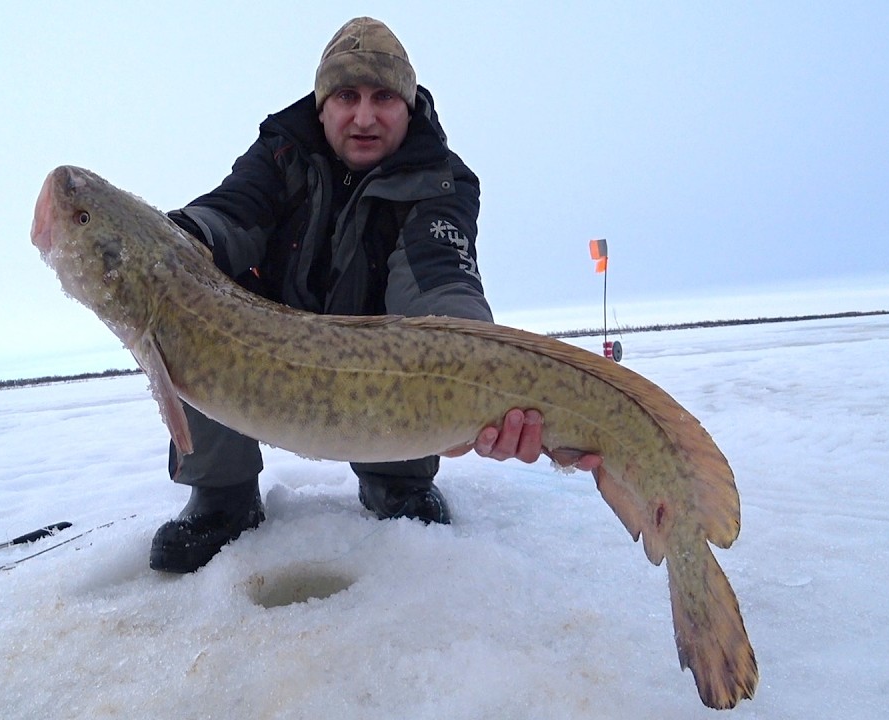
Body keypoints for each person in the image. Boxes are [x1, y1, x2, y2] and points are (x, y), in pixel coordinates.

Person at [152, 17, 598, 574]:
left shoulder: (442, 180)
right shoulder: (278, 154)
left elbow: (438, 283)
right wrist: (175, 242)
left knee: (426, 352)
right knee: (201, 301)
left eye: (383, 96)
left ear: (408, 105)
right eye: (347, 95)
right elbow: (229, 213)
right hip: (277, 330)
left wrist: (491, 385)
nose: (364, 116)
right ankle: (222, 494)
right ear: (322, 106)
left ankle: (397, 480)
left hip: (378, 345)